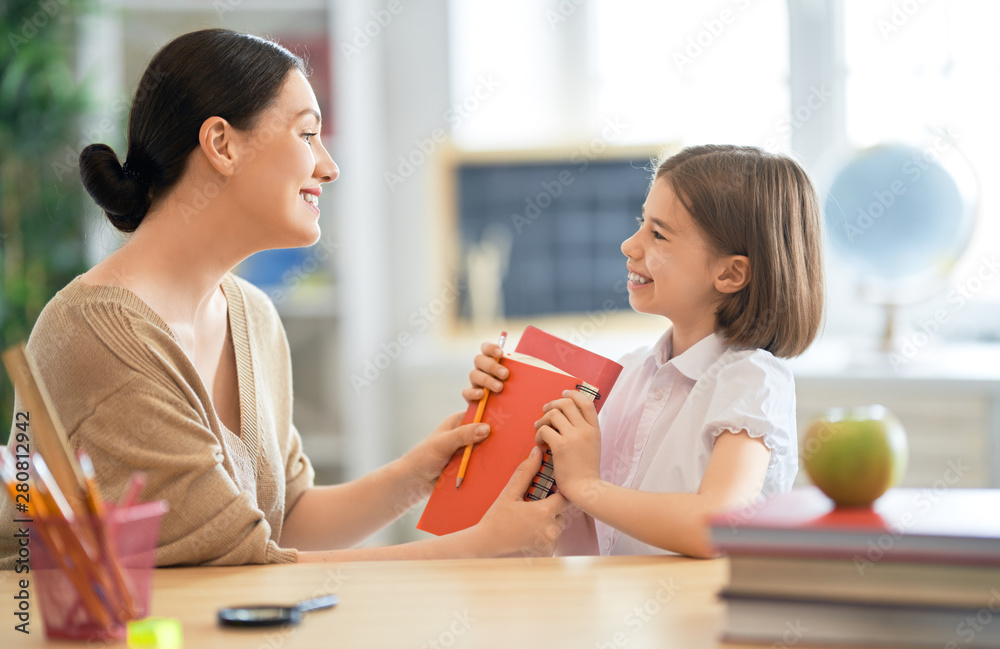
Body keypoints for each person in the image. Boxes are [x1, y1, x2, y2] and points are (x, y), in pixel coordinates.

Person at [0, 28, 568, 569]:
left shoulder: (254, 317)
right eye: (306, 133)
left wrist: (421, 472)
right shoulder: (99, 336)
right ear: (221, 143)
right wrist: (477, 548)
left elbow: (286, 518)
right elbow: (247, 567)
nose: (330, 165)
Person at [465, 145, 824, 558]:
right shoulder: (624, 374)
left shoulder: (751, 380)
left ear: (729, 273)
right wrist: (497, 418)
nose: (628, 245)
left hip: (697, 619)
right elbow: (568, 531)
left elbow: (718, 525)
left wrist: (587, 485)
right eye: (641, 223)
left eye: (658, 234)